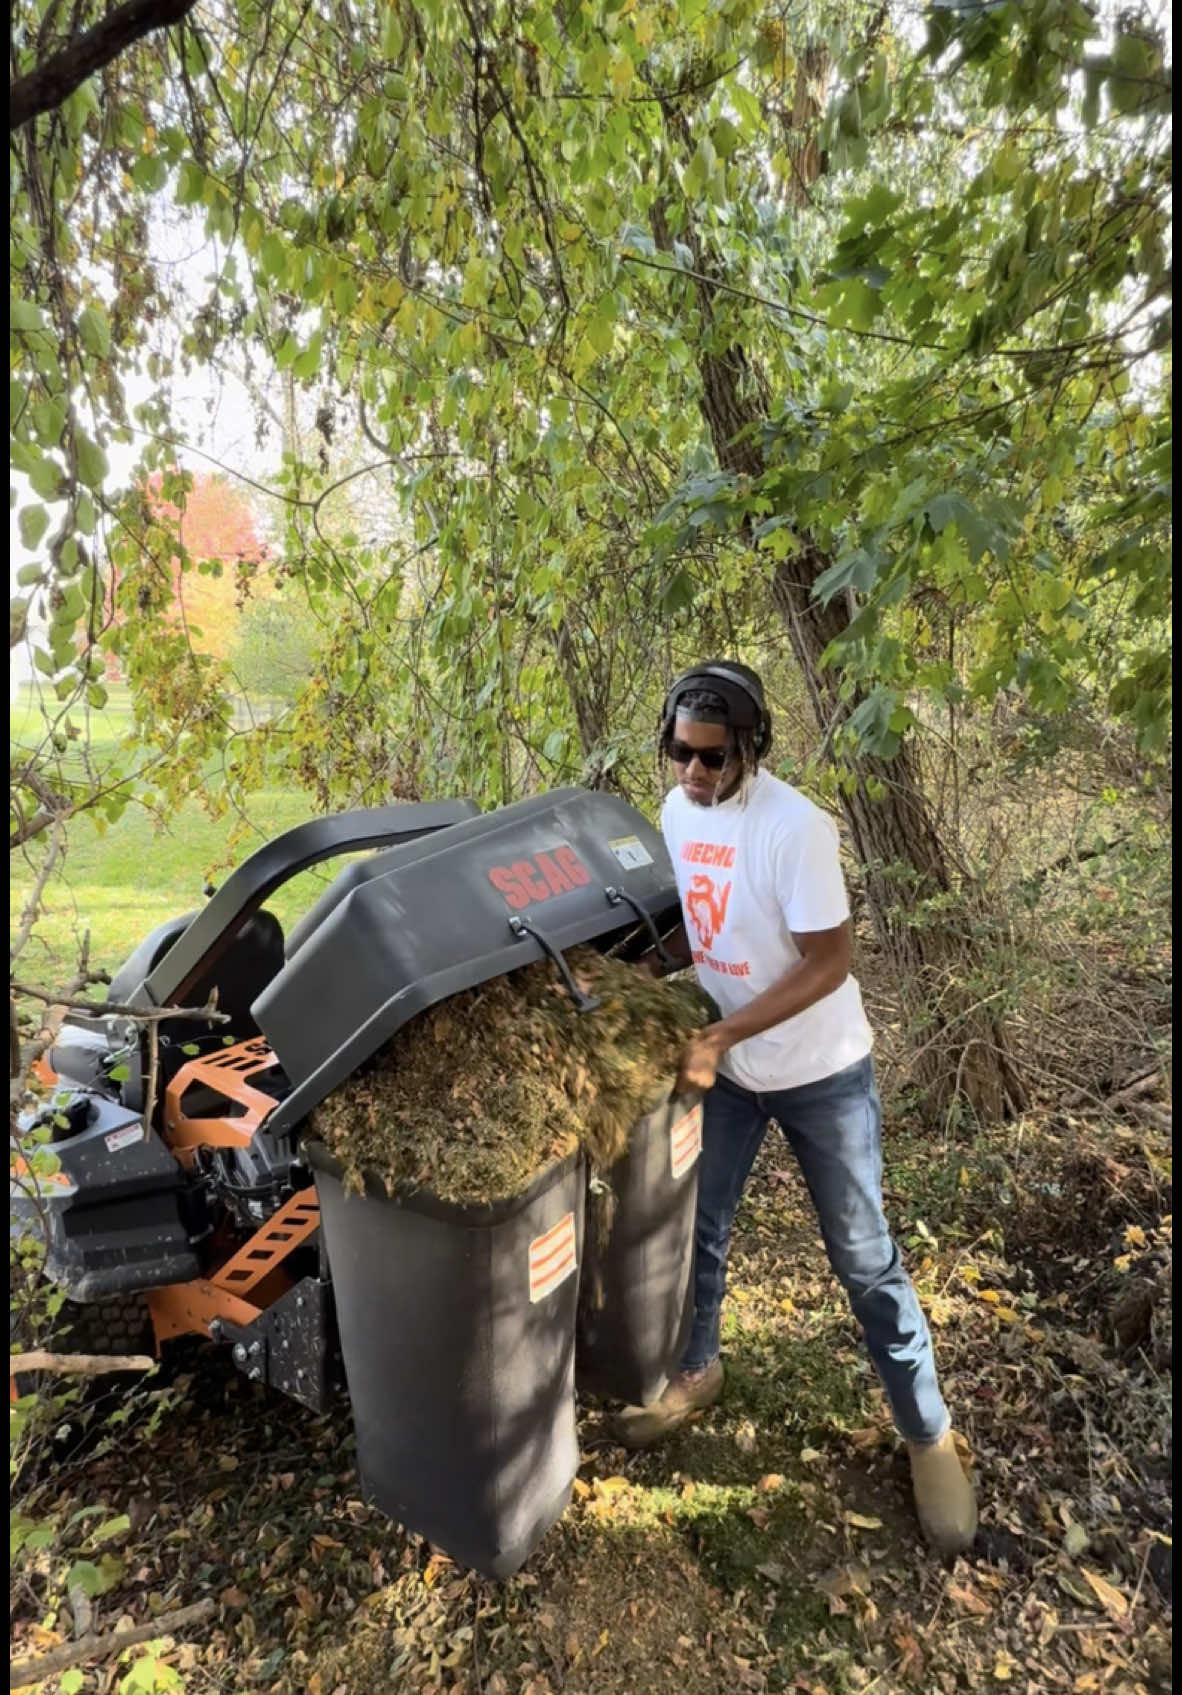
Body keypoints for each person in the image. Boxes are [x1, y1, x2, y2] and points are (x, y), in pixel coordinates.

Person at [616, 659, 977, 1558]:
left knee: (862, 1257)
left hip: (820, 1071)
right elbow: (705, 918)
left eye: (712, 757)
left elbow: (828, 964)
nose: (693, 773)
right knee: (701, 1220)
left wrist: (720, 1035)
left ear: (750, 748)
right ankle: (697, 1368)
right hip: (735, 1065)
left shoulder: (796, 828)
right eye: (680, 752)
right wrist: (652, 968)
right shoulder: (676, 811)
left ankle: (927, 1432)